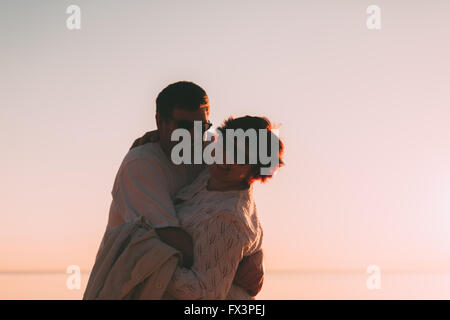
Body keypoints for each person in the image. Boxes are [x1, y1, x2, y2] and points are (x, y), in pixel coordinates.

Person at [101, 81, 264, 296]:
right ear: (160, 122)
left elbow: (242, 197)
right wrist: (231, 260)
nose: (194, 136)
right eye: (185, 127)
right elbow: (177, 245)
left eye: (201, 127)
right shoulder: (141, 165)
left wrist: (255, 253)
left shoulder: (211, 152)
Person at [163, 116, 284, 299]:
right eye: (225, 146)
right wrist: (153, 139)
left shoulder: (227, 218)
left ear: (255, 168)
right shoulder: (212, 176)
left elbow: (206, 293)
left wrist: (151, 263)